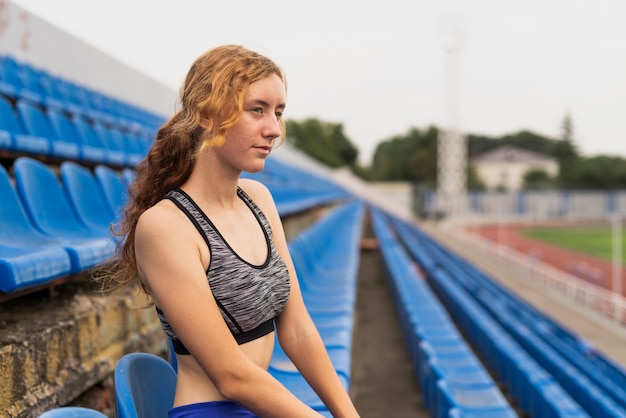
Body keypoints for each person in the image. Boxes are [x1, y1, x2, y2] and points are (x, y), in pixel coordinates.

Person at [104, 45, 360, 418]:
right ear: (207, 115)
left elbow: (297, 329)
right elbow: (231, 377)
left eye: (278, 112)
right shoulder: (165, 226)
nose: (273, 129)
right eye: (256, 109)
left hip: (263, 403)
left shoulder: (259, 200)